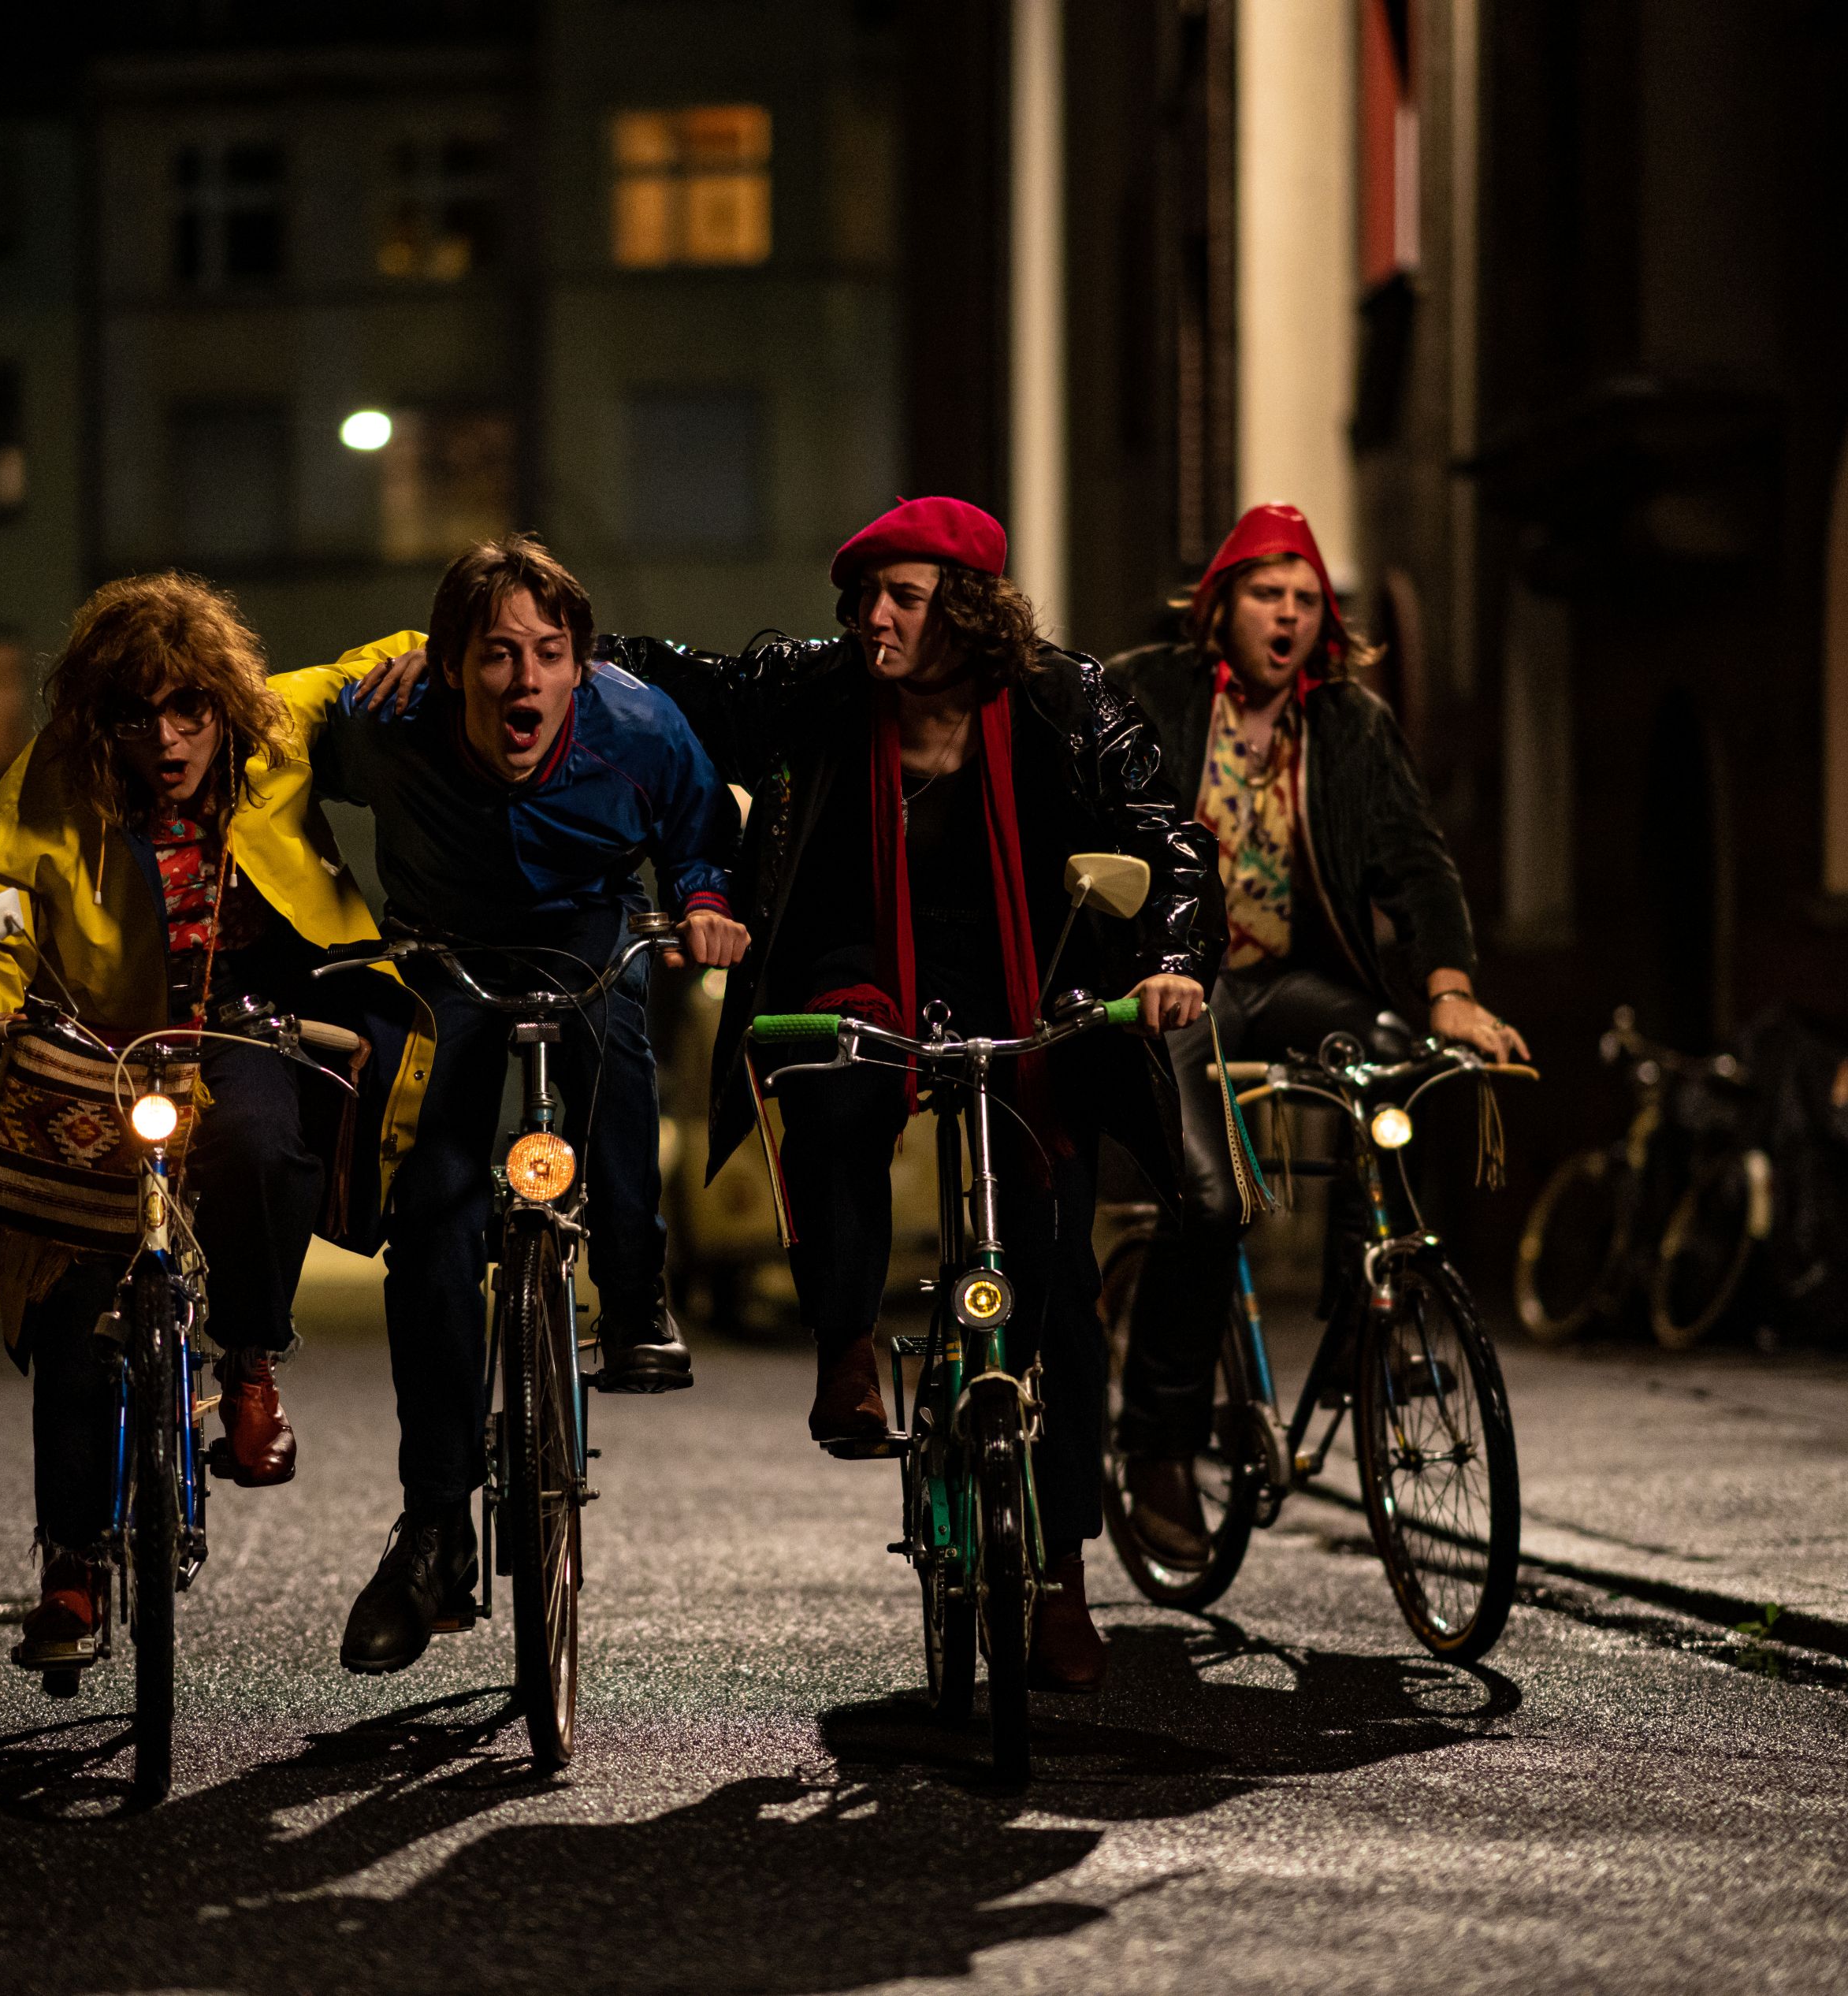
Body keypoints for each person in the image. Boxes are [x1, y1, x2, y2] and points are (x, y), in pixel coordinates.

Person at [572, 496, 1218, 1694]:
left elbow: (1167, 837)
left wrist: (1172, 960)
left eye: (903, 597)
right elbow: (675, 677)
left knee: (1061, 1287)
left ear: (966, 611)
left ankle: (1062, 1576)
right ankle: (847, 1346)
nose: (872, 616)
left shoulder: (1068, 701)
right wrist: (537, 641)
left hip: (1031, 980)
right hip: (858, 962)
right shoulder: (819, 688)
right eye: (864, 596)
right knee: (835, 1098)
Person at [0, 574, 429, 1675]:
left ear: (222, 702)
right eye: (137, 715)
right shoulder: (55, 775)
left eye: (189, 709)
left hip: (254, 1019)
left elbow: (371, 663)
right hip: (110, 1041)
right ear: (98, 716)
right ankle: (71, 1566)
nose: (168, 738)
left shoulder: (268, 731)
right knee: (73, 1294)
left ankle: (251, 1363)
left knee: (260, 1146)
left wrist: (428, 652)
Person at [314, 534, 749, 1676]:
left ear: (579, 663)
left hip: (584, 931)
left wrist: (705, 902)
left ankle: (638, 1296)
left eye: (549, 653)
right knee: (435, 1215)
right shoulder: (388, 723)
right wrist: (313, 917)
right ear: (454, 663)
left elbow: (702, 831)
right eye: (497, 654)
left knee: (618, 1067)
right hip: (443, 948)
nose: (526, 679)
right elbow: (273, 762)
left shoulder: (637, 724)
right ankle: (434, 1533)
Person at [1102, 502, 1525, 1574]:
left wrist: (1448, 989)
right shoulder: (1147, 691)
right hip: (1180, 981)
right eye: (1266, 594)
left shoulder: (1348, 725)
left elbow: (1416, 861)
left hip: (1292, 980)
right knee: (1210, 1200)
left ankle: (1364, 1321)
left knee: (1402, 1065)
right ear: (1221, 607)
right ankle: (1157, 1445)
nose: (1287, 615)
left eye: (1305, 600)